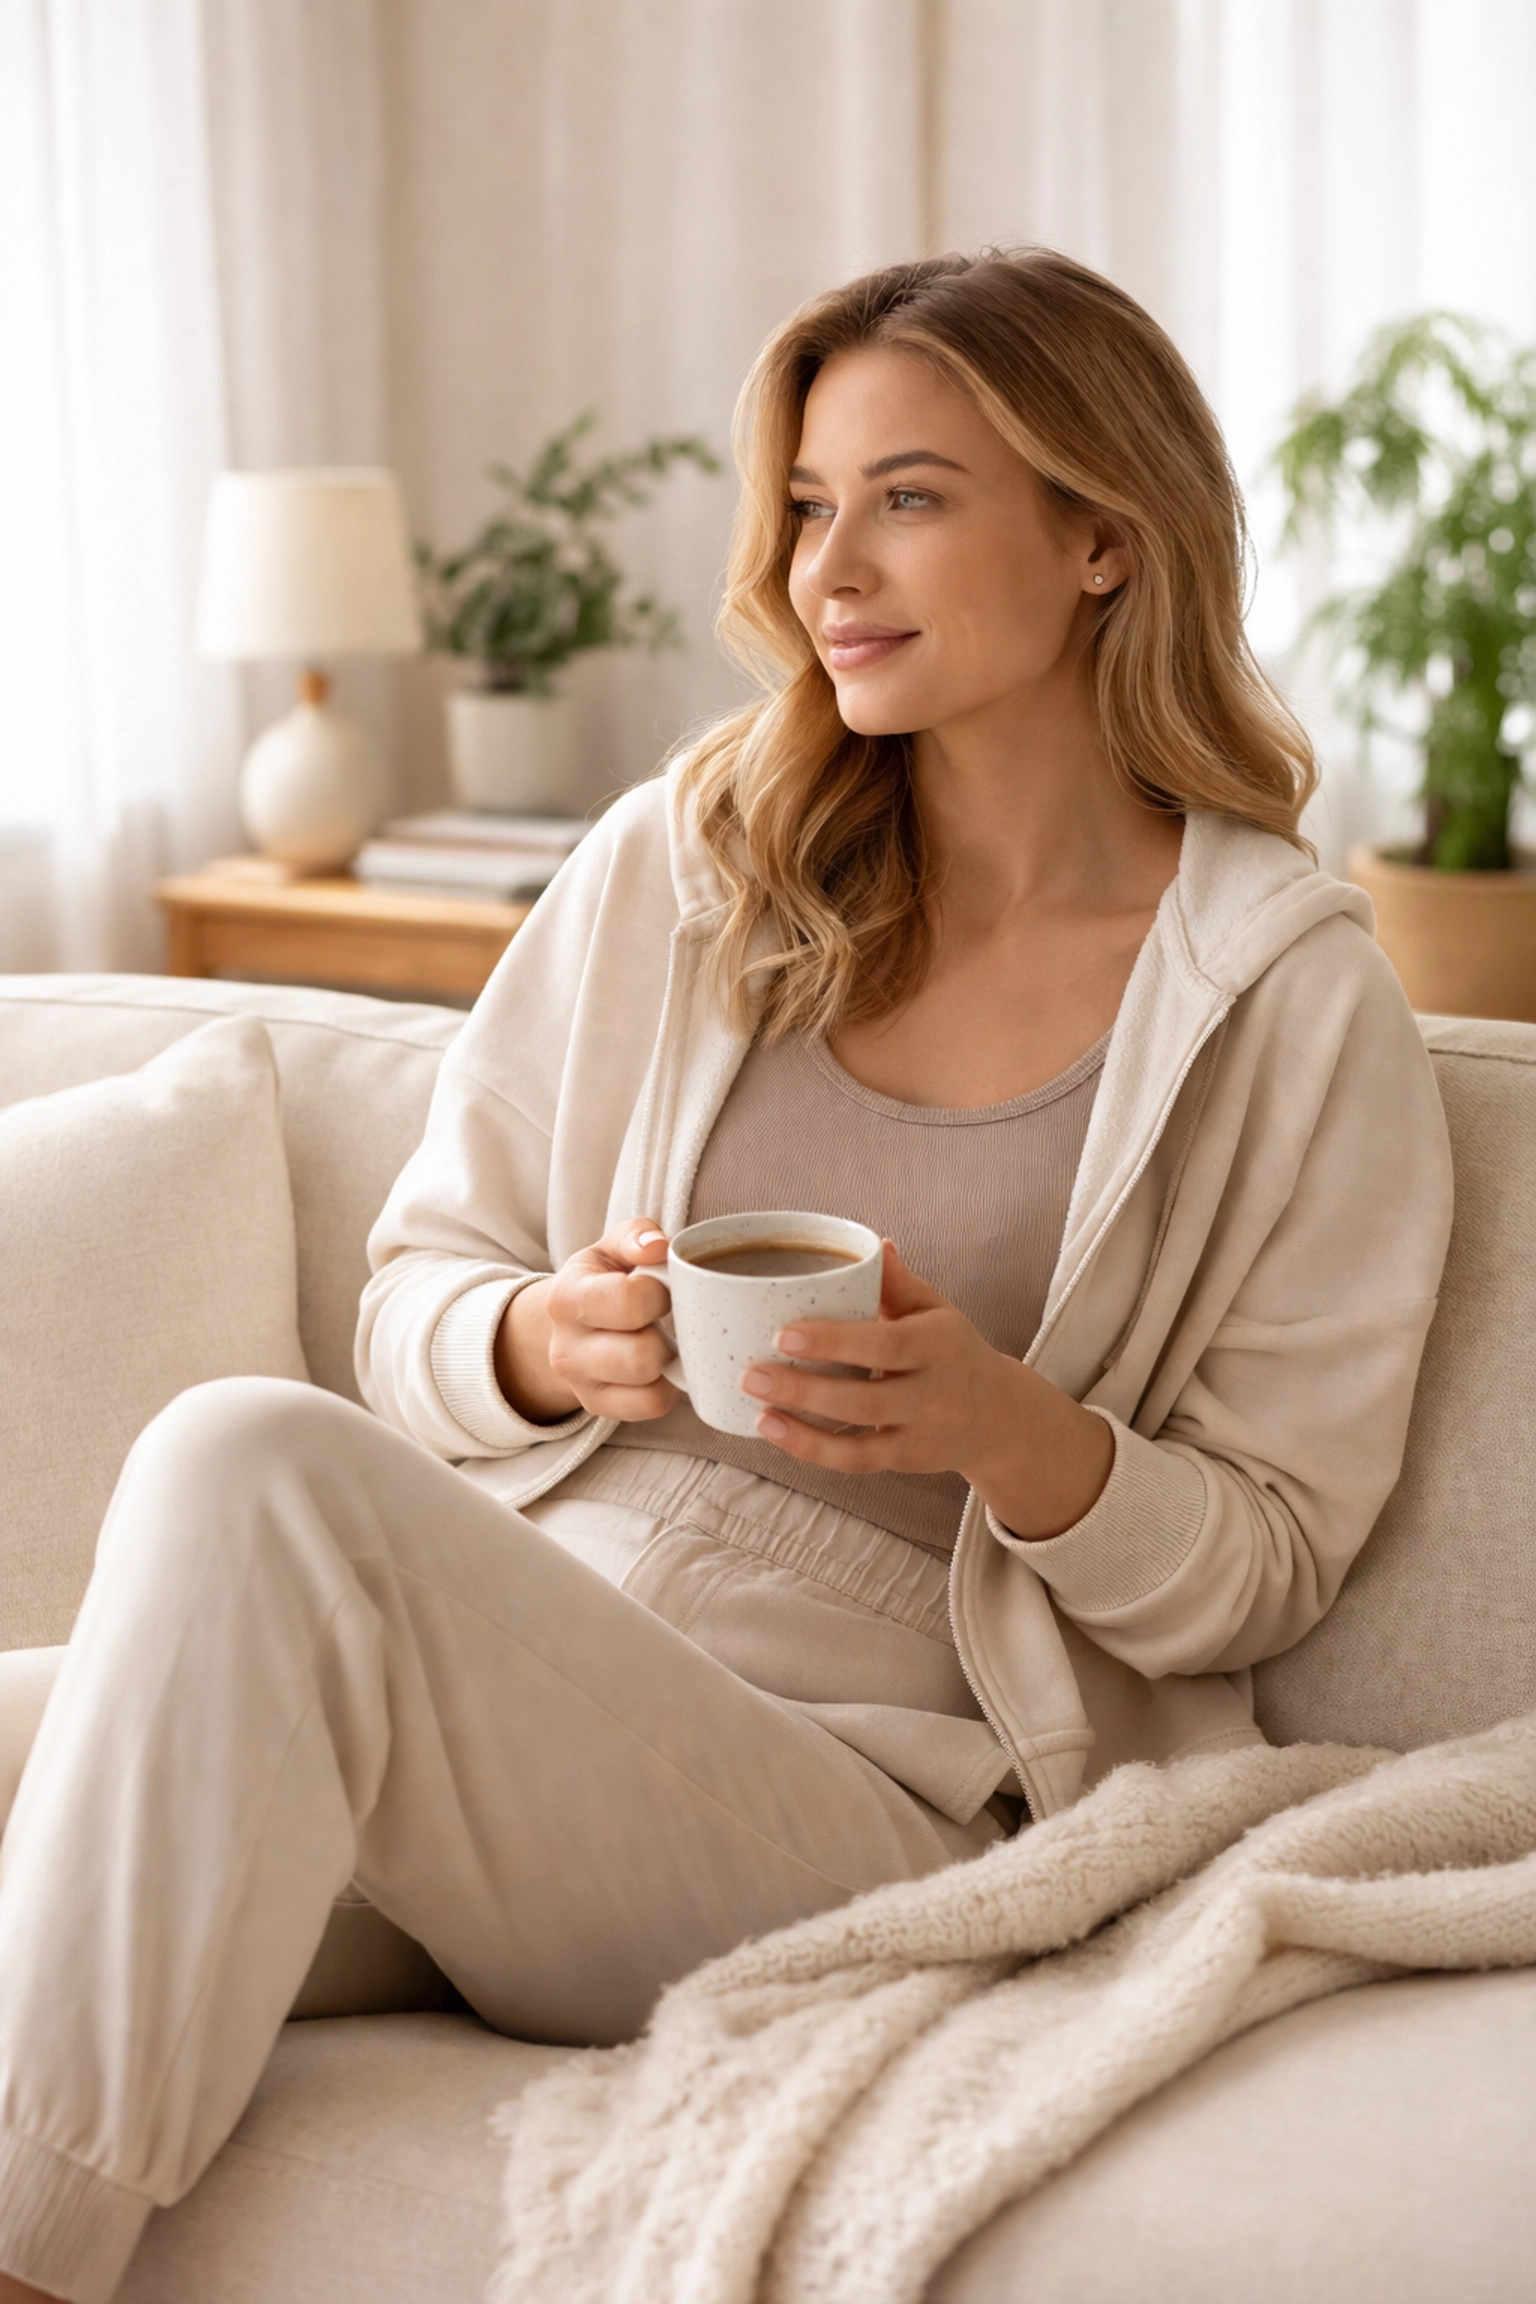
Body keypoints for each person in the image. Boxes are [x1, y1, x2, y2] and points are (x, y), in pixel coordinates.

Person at [0, 248, 1452, 2304]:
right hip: (523, 1657)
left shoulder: (1289, 1005)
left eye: (910, 496)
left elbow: (1272, 1555)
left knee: (246, 1464)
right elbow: (420, 1284)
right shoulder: (696, 857)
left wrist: (1014, 1436)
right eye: (805, 502)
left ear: (1107, 535)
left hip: (865, 1786)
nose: (827, 564)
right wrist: (528, 1339)